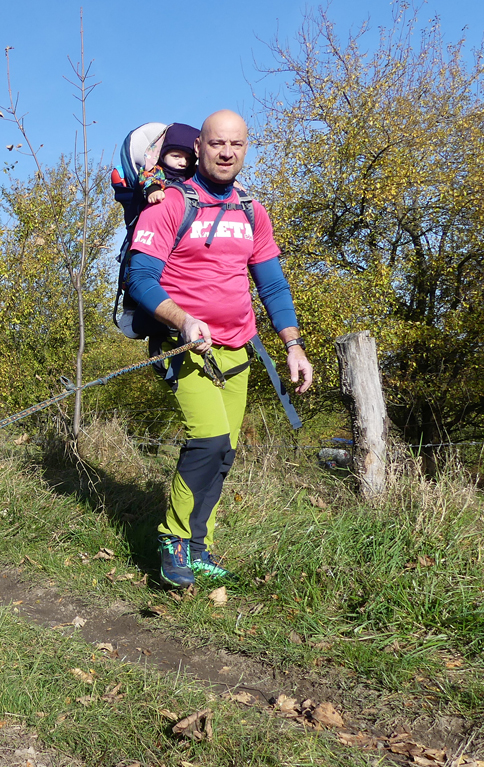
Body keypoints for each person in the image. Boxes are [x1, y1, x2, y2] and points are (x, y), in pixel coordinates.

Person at [126, 109, 314, 588]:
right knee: (208, 440)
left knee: (224, 452)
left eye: (236, 144)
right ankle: (172, 539)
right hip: (184, 346)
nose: (227, 152)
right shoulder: (170, 203)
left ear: (246, 148)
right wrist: (183, 320)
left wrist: (293, 344)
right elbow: (140, 277)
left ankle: (197, 545)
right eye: (217, 143)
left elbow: (272, 285)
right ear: (199, 148)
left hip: (238, 348)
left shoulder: (251, 210)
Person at [141, 122, 199, 206]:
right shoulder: (155, 169)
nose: (183, 163)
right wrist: (153, 190)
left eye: (188, 159)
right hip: (158, 207)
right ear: (163, 154)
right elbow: (149, 178)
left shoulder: (193, 173)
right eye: (176, 156)